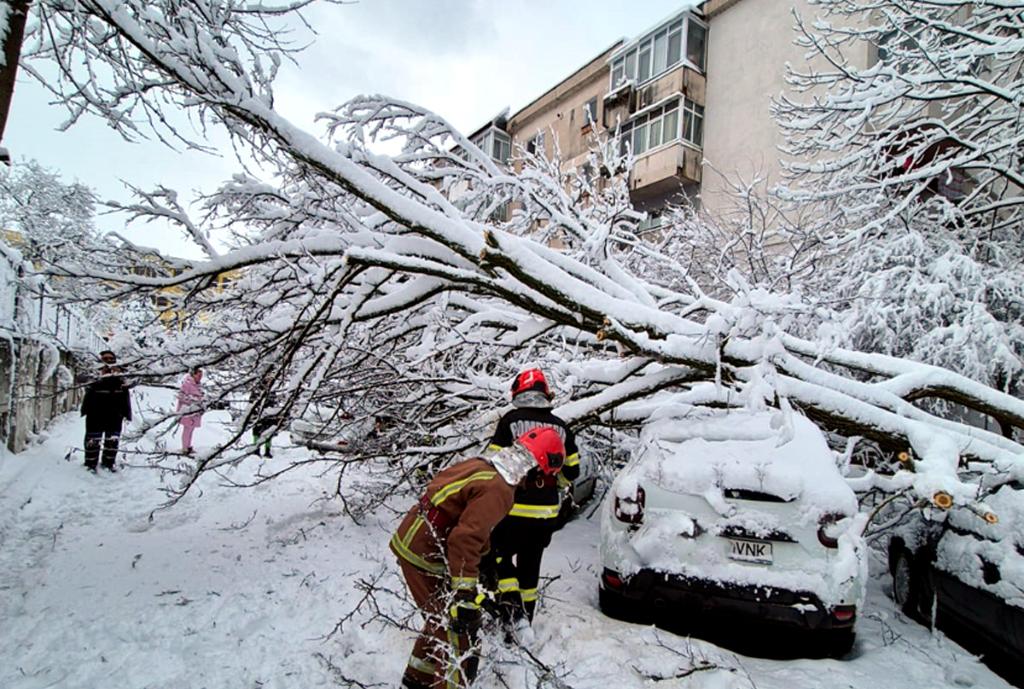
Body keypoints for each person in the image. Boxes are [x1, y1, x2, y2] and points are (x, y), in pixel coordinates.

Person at [392, 427, 566, 689]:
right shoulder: (500, 489)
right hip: (424, 551)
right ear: (538, 468)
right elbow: (464, 539)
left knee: (439, 619)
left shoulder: (485, 465)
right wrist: (464, 595)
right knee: (459, 634)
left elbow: (470, 523)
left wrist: (484, 562)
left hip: (417, 539)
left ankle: (418, 678)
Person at [482, 367, 580, 632]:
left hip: (511, 508)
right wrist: (553, 482)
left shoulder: (510, 421)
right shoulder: (561, 427)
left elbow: (494, 463)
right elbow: (572, 471)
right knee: (530, 565)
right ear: (545, 394)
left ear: (519, 392)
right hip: (546, 512)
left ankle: (511, 613)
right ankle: (527, 620)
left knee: (497, 557)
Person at [80, 350, 132, 473]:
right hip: (95, 412)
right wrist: (98, 376)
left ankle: (109, 463)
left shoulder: (120, 373)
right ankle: (90, 464)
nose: (108, 361)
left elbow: (132, 383)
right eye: (105, 358)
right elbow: (81, 379)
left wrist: (121, 377)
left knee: (112, 440)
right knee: (92, 440)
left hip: (115, 413)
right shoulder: (94, 372)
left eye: (110, 358)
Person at [177, 367, 204, 455]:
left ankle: (188, 446)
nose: (200, 377)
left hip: (195, 411)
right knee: (187, 429)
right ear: (194, 374)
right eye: (199, 375)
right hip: (187, 411)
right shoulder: (187, 384)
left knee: (191, 429)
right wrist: (192, 401)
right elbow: (181, 396)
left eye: (201, 375)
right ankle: (185, 448)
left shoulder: (198, 384)